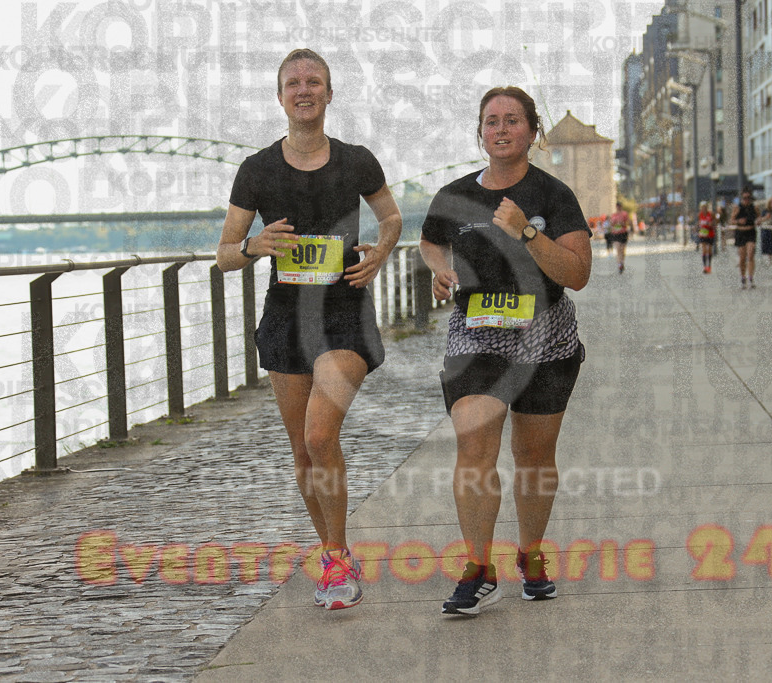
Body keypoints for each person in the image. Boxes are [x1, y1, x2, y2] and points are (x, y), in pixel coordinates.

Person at [216, 49, 402, 611]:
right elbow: (223, 254)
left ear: (328, 93)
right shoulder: (257, 170)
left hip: (342, 312)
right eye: (294, 82)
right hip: (285, 316)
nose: (304, 90)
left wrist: (380, 254)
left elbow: (391, 218)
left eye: (314, 81)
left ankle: (339, 558)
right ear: (280, 97)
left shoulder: (356, 161)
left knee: (321, 436)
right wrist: (254, 246)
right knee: (302, 449)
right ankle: (332, 554)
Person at [419, 86, 591, 616]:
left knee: (534, 457)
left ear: (532, 131)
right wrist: (438, 268)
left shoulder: (554, 195)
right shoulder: (454, 194)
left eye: (512, 120)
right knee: (474, 444)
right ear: (480, 131)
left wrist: (526, 234)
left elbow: (578, 274)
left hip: (545, 333)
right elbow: (431, 239)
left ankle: (531, 554)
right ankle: (477, 566)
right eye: (491, 120)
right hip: (477, 331)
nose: (501, 129)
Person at [732, 190, 758, 288]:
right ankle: (743, 277)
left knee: (750, 254)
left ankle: (751, 277)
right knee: (742, 258)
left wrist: (760, 220)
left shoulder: (754, 208)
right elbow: (732, 220)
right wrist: (738, 221)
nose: (747, 200)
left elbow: (759, 218)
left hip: (751, 232)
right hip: (740, 232)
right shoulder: (737, 208)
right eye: (744, 198)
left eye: (748, 198)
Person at [608, 202, 631, 272]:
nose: (618, 207)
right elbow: (611, 224)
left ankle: (622, 262)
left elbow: (629, 223)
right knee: (618, 249)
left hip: (623, 233)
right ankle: (619, 265)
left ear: (621, 206)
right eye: (617, 206)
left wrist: (623, 223)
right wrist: (613, 223)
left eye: (619, 206)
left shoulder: (625, 214)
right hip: (615, 233)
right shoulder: (613, 215)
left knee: (622, 250)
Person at [697, 201, 716, 273]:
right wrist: (699, 227)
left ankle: (709, 266)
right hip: (703, 234)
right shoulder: (700, 214)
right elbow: (699, 223)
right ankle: (705, 267)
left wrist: (711, 224)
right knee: (704, 250)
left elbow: (714, 222)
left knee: (709, 250)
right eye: (702, 207)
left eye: (705, 207)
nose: (704, 208)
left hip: (710, 234)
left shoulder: (711, 214)